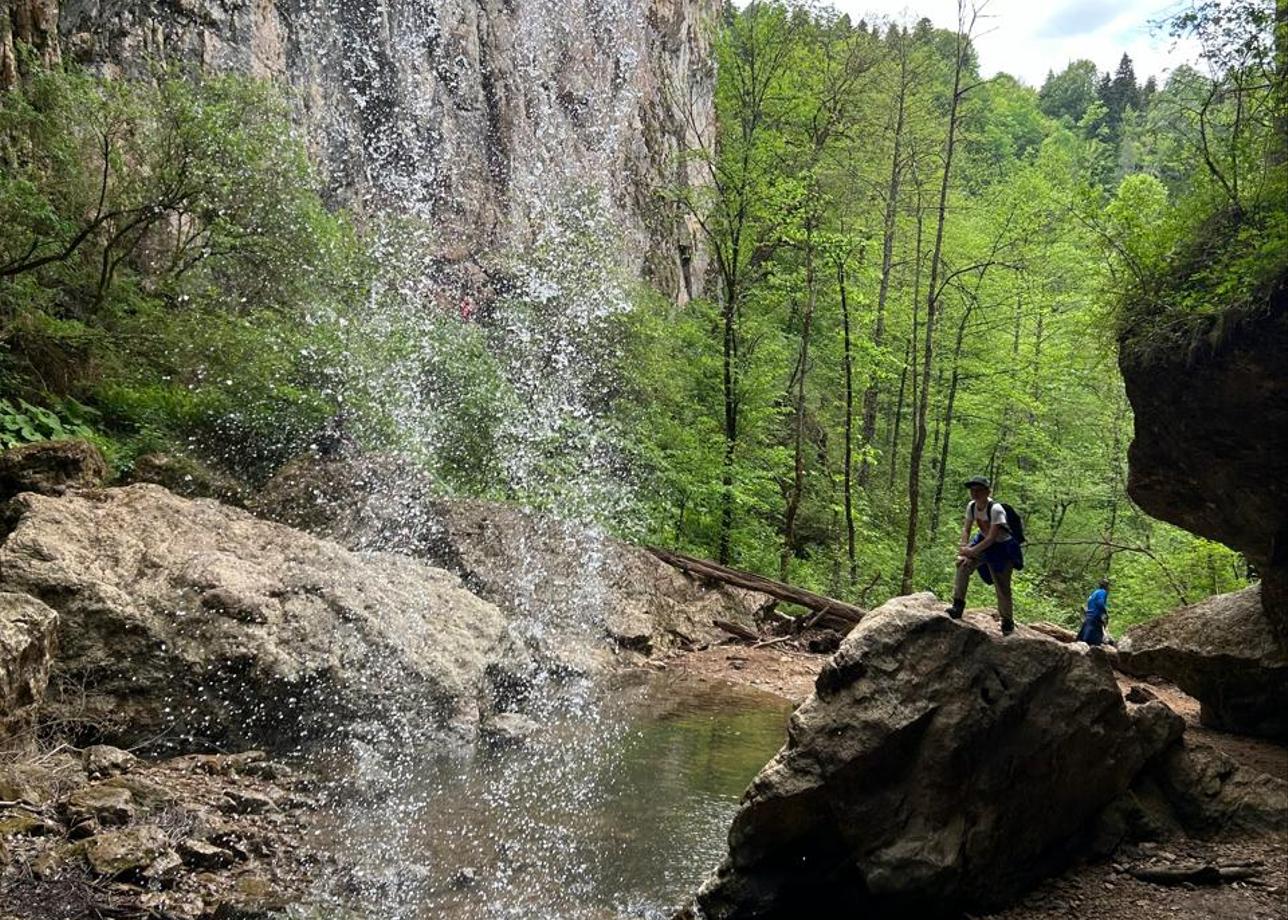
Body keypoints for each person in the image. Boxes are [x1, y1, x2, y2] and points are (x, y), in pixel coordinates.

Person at [945, 476, 1023, 635]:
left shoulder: (996, 510)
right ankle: (958, 605)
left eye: (979, 490)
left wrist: (972, 552)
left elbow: (992, 538)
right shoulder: (972, 506)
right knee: (962, 565)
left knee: (1002, 586)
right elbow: (967, 529)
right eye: (973, 490)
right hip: (983, 542)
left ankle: (1007, 622)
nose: (975, 493)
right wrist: (964, 547)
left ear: (988, 491)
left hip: (1002, 549)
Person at [1077, 579, 1111, 646]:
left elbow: (1089, 602)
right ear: (1106, 586)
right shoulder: (1102, 592)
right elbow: (1100, 603)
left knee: (1086, 632)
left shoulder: (1095, 592)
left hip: (1089, 615)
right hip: (1096, 615)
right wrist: (1105, 612)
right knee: (1095, 636)